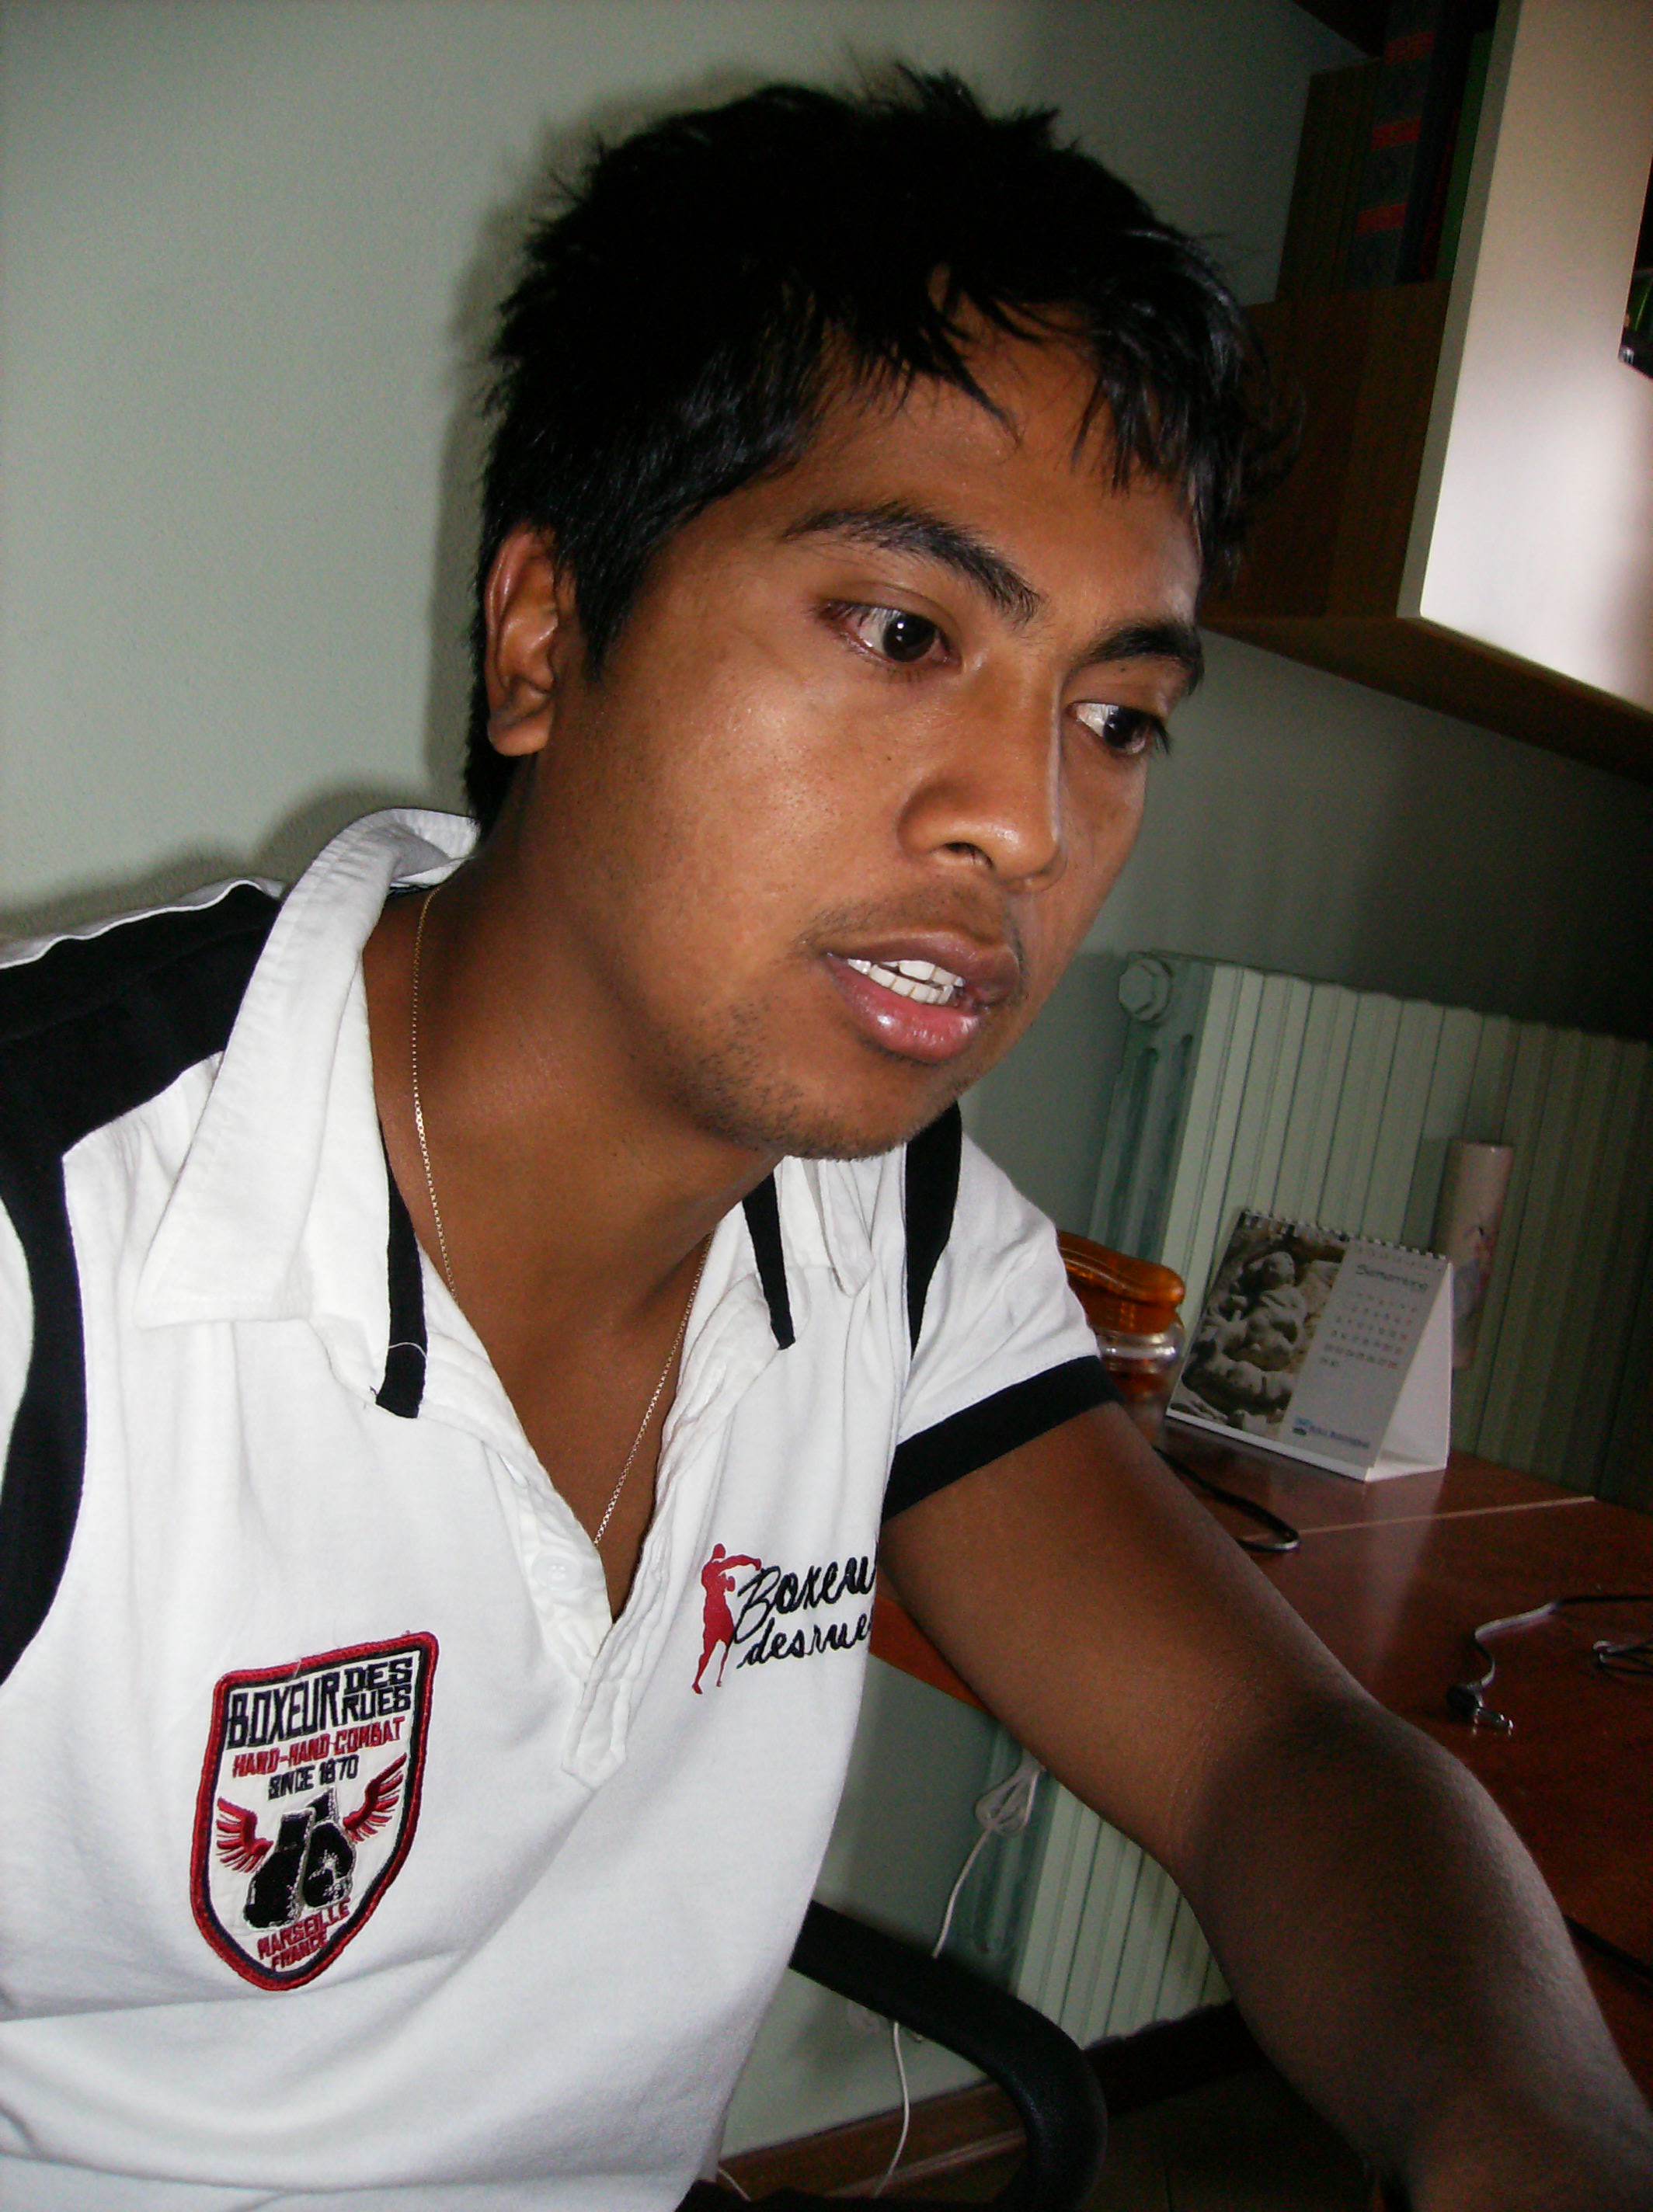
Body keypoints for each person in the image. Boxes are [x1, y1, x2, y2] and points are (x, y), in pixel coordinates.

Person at [0, 68, 1648, 2212]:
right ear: (542, 633)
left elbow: (1275, 1753)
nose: (1026, 825)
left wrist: (1542, 2133)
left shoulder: (892, 1231)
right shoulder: (56, 1251)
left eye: (1116, 717)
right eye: (901, 631)